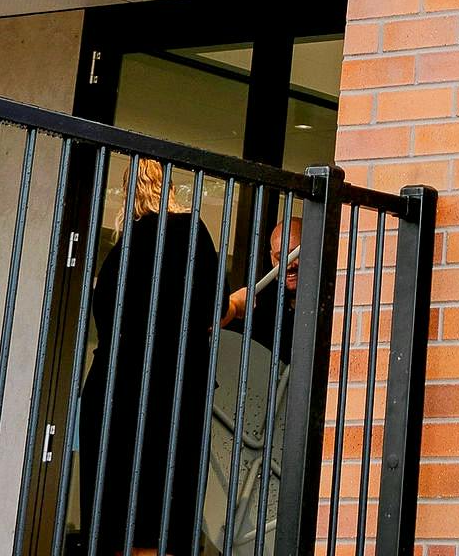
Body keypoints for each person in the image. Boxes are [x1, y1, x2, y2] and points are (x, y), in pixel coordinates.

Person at [74, 163, 221, 556]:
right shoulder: (190, 232)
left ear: (126, 195)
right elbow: (211, 308)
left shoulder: (119, 256)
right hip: (171, 396)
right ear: (170, 188)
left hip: (111, 395)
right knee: (166, 520)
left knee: (112, 522)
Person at [205, 212, 307, 552]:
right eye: (279, 257)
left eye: (295, 253)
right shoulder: (261, 302)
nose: (287, 264)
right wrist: (233, 306)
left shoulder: (332, 302)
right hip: (258, 435)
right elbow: (212, 327)